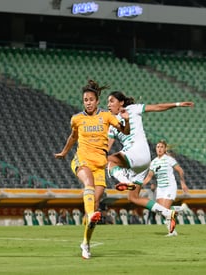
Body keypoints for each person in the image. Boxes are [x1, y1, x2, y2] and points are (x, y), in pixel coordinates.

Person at [55, 80, 130, 259]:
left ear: (97, 101)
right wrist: (64, 152)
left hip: (99, 165)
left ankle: (86, 243)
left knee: (95, 204)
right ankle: (90, 214)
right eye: (85, 100)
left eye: (90, 99)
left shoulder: (106, 116)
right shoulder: (77, 119)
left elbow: (125, 132)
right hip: (82, 160)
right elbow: (73, 137)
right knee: (87, 184)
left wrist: (126, 121)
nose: (87, 102)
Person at [107, 90, 194, 234]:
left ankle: (124, 179)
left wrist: (177, 104)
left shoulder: (132, 109)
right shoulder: (111, 125)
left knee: (108, 161)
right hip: (142, 162)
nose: (108, 105)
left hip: (136, 151)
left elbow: (158, 107)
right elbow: (107, 147)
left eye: (111, 101)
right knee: (133, 198)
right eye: (108, 102)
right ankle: (167, 213)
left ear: (121, 102)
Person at [143, 140, 189, 236]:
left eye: (161, 147)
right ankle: (180, 211)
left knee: (165, 208)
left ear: (164, 149)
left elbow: (180, 170)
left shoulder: (169, 159)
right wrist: (139, 185)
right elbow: (149, 177)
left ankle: (171, 231)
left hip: (170, 186)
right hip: (160, 188)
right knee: (161, 210)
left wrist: (183, 183)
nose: (159, 149)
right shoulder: (154, 162)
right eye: (158, 147)